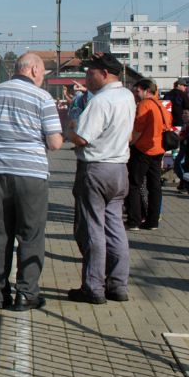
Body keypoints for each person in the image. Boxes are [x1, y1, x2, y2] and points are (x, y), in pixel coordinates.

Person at [0, 52, 63, 311]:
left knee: (0, 234)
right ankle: (26, 294)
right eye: (44, 72)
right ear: (34, 69)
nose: (43, 77)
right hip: (31, 175)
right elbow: (55, 143)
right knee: (30, 234)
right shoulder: (43, 97)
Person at [66, 53, 136, 304]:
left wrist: (69, 131)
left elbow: (83, 137)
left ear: (104, 74)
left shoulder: (100, 101)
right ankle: (118, 284)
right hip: (119, 169)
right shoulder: (128, 96)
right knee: (115, 227)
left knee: (92, 228)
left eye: (90, 73)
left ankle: (93, 287)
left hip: (95, 169)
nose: (87, 79)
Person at [125, 79, 170, 230]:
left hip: (143, 149)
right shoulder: (160, 105)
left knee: (134, 184)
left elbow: (138, 129)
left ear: (146, 90)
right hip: (159, 149)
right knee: (155, 186)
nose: (135, 94)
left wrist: (129, 143)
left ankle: (134, 220)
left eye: (137, 91)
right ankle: (152, 221)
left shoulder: (145, 105)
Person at [166, 79, 189, 187]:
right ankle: (183, 178)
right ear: (179, 85)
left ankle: (177, 175)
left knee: (173, 151)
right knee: (181, 153)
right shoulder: (183, 95)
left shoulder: (167, 95)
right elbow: (187, 110)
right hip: (180, 126)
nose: (185, 88)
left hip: (169, 126)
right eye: (184, 85)